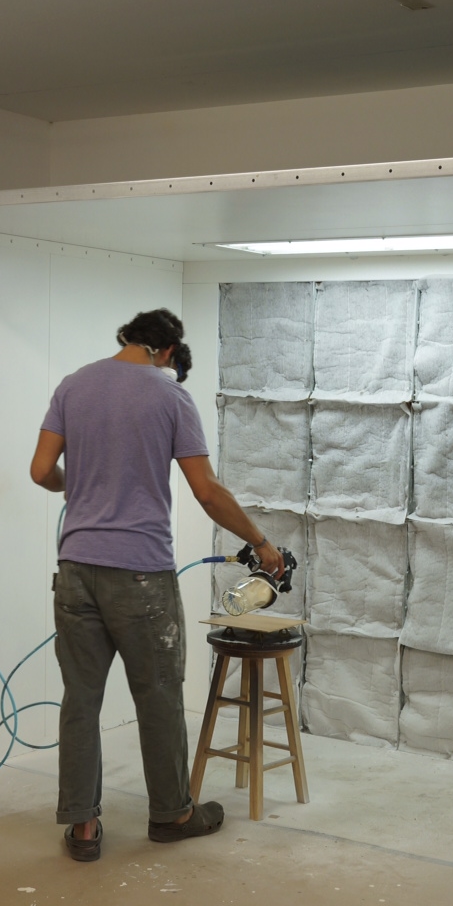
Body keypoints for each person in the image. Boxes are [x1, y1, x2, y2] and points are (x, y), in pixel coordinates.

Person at [30, 307, 284, 863]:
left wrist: (81, 485)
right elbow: (207, 491)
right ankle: (171, 814)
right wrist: (262, 544)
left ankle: (82, 828)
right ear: (167, 351)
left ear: (129, 338)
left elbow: (40, 471)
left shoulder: (73, 387)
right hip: (141, 574)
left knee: (80, 700)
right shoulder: (170, 397)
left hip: (75, 570)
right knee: (159, 696)